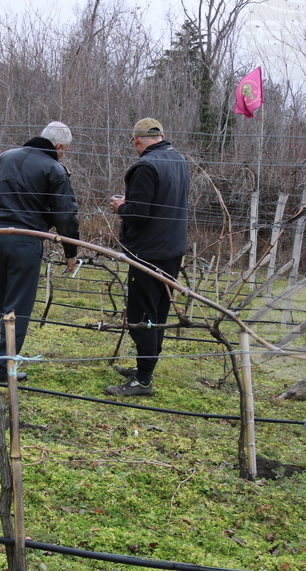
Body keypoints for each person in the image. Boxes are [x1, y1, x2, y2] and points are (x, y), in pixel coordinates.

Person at [0, 121, 79, 383]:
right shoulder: (54, 169)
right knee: (17, 305)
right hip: (26, 239)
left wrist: (8, 204)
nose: (63, 155)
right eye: (64, 151)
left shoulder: (5, 157)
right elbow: (65, 215)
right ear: (59, 146)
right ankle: (2, 370)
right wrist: (70, 250)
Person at [105, 118, 189, 397]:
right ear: (161, 136)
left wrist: (121, 207)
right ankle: (145, 368)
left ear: (137, 140)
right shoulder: (178, 159)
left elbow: (139, 213)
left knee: (142, 315)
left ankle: (142, 381)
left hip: (148, 252)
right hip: (172, 249)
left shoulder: (146, 166)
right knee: (158, 313)